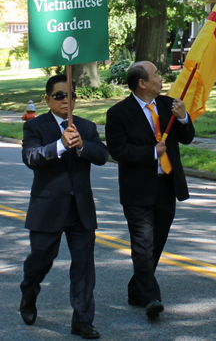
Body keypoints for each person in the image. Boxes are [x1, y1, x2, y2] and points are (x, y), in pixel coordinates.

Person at [19, 74, 108, 339]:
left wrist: (82, 146)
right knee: (40, 260)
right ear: (47, 99)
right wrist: (59, 145)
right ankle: (29, 292)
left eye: (70, 95)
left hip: (80, 209)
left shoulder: (86, 126)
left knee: (83, 266)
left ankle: (82, 319)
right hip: (48, 208)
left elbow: (103, 155)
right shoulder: (35, 127)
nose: (65, 101)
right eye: (59, 96)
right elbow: (31, 157)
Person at [105, 61, 195, 319]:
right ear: (142, 83)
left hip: (166, 184)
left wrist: (183, 117)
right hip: (138, 190)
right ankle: (151, 298)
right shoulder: (119, 113)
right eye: (156, 75)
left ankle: (137, 289)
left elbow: (187, 137)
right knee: (143, 244)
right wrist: (149, 153)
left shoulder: (169, 105)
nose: (161, 78)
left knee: (156, 243)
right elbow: (117, 150)